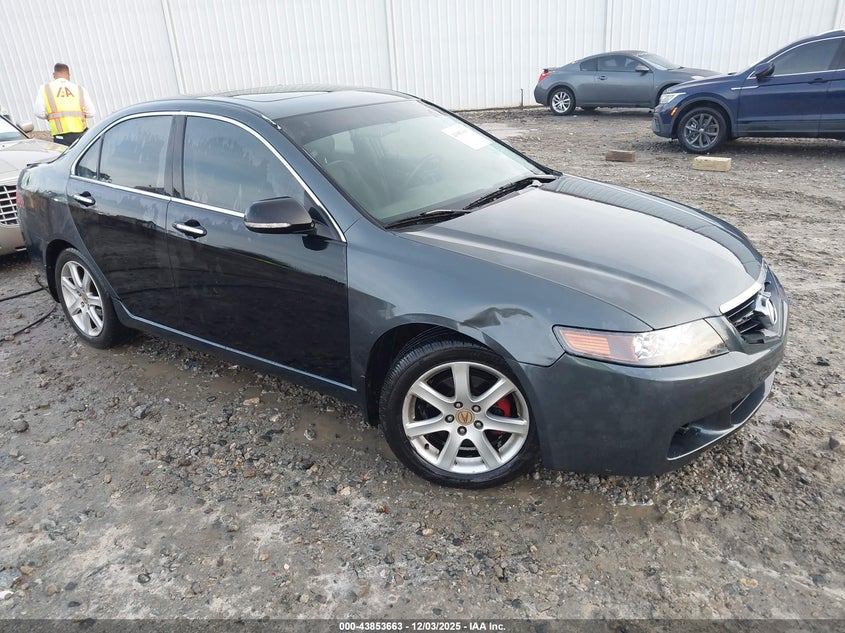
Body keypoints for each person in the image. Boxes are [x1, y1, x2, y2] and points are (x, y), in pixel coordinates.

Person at [34, 63, 96, 146]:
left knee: (65, 158)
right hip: (80, 134)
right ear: (69, 75)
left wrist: (51, 116)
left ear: (54, 75)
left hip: (61, 136)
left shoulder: (45, 89)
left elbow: (39, 113)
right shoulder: (79, 89)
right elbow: (91, 112)